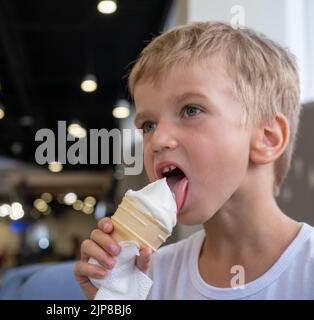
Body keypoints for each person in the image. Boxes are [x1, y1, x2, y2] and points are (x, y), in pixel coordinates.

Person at [74, 21, 314, 299]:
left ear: (267, 138)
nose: (158, 140)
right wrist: (113, 297)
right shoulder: (150, 278)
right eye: (148, 125)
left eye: (191, 110)